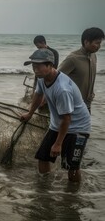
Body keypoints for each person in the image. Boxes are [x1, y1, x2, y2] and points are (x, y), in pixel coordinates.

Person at [20, 49, 91, 182]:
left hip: (78, 128)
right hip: (58, 124)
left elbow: (67, 118)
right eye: (33, 66)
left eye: (38, 66)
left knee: (71, 166)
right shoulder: (42, 78)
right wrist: (30, 113)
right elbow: (38, 94)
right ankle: (45, 189)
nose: (35, 69)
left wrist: (58, 144)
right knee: (43, 157)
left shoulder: (62, 89)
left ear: (50, 65)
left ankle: (72, 197)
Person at [58, 27, 104, 113]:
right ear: (86, 42)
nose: (99, 46)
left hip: (87, 104)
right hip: (73, 105)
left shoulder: (93, 56)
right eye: (97, 43)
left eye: (100, 43)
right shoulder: (73, 59)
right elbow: (55, 77)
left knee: (86, 126)